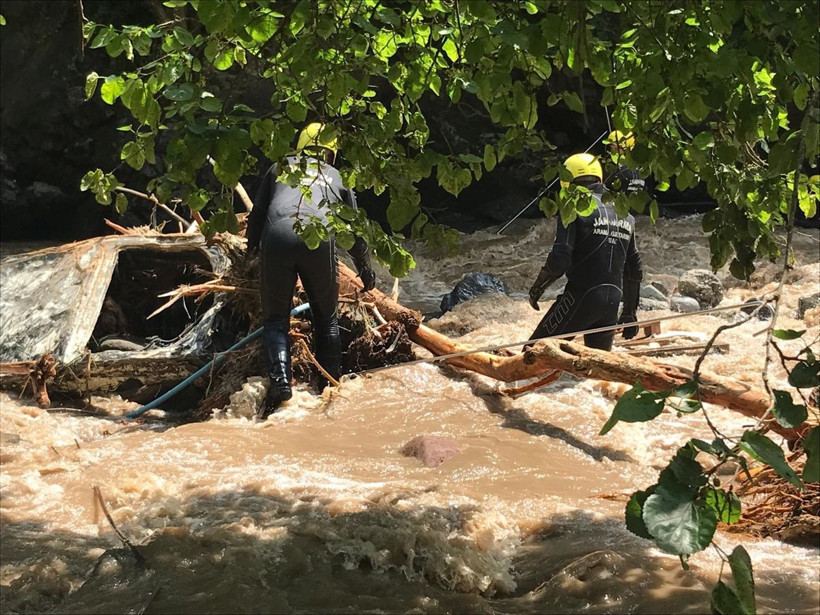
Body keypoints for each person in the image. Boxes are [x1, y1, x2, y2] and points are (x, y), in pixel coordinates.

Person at [246, 122, 376, 418]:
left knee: (276, 319)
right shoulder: (337, 176)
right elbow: (354, 232)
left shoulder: (279, 168)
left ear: (301, 146)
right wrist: (366, 270)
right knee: (326, 318)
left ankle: (281, 385)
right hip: (318, 237)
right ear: (331, 153)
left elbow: (257, 215)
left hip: (277, 235)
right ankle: (330, 386)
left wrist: (250, 251)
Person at [527, 153, 643, 351]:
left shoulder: (573, 207)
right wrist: (629, 313)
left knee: (532, 355)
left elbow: (560, 259)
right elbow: (634, 269)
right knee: (596, 365)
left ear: (567, 181)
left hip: (581, 297)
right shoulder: (625, 214)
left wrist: (537, 289)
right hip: (612, 302)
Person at [604, 130, 647, 197]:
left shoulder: (621, 172)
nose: (613, 152)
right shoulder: (641, 170)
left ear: (626, 149)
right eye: (611, 149)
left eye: (616, 148)